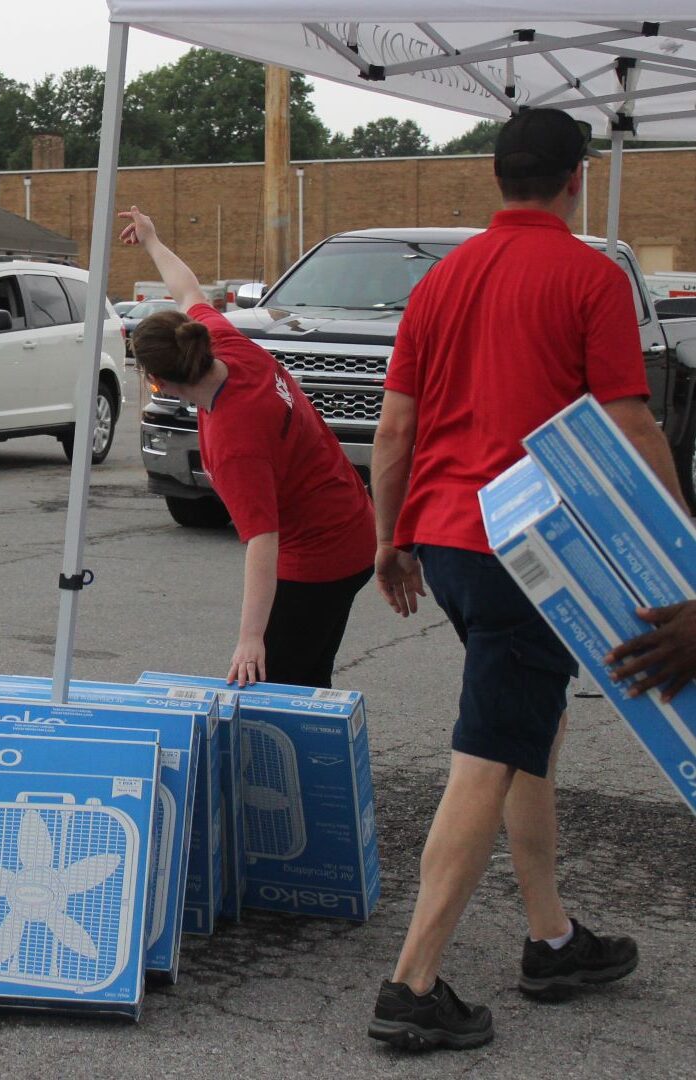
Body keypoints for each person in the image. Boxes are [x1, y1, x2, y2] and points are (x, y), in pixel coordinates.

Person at [366, 107, 687, 1052]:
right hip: (535, 554)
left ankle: (551, 938)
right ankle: (412, 983)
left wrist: (391, 540)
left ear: (496, 177)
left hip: (452, 545)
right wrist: (683, 548)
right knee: (488, 748)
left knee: (525, 730)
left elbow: (392, 431)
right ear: (576, 179)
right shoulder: (589, 275)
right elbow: (631, 424)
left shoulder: (440, 280)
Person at [120, 206, 375, 689]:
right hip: (350, 524)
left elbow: (263, 539)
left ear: (159, 381)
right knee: (305, 676)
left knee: (276, 687)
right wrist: (152, 241)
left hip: (322, 556)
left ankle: (303, 760)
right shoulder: (225, 344)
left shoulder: (232, 440)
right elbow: (188, 290)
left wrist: (250, 637)